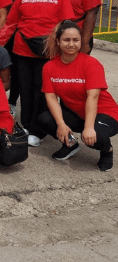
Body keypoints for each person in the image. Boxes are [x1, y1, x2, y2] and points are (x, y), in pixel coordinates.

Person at [0, 0, 75, 147]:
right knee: (25, 90)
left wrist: (67, 49)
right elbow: (11, 24)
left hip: (48, 52)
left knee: (42, 92)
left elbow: (65, 24)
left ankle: (38, 130)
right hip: (23, 51)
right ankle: (27, 126)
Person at [37, 21, 118, 171]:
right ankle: (70, 145)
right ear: (58, 41)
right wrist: (61, 125)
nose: (71, 44)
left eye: (76, 40)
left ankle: (107, 151)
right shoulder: (49, 67)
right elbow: (51, 97)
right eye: (66, 40)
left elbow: (92, 97)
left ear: (81, 41)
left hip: (105, 112)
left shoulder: (91, 64)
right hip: (77, 113)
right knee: (45, 120)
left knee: (95, 137)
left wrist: (88, 128)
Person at [0, 0, 25, 117]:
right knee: (1, 65)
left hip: (20, 28)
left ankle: (12, 102)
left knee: (16, 68)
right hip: (2, 26)